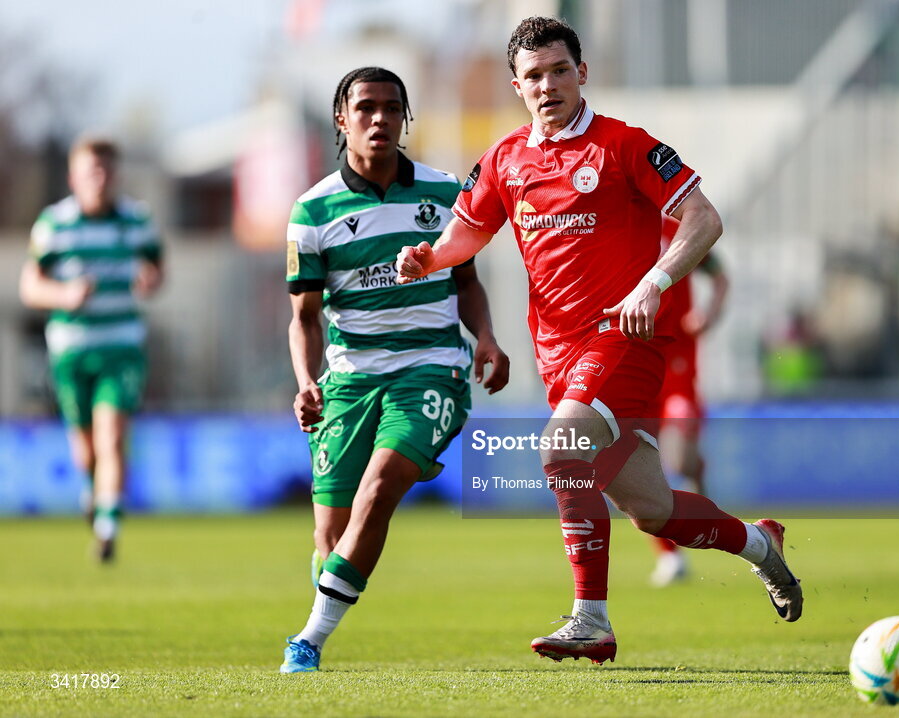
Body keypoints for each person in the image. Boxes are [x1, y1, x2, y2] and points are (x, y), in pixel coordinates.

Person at [397, 16, 802, 665]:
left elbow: (704, 217)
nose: (548, 84)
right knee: (655, 510)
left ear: (581, 73)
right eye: (534, 76)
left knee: (560, 450)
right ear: (516, 85)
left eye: (560, 70)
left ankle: (591, 619)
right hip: (558, 357)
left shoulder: (624, 146)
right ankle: (761, 544)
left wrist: (653, 283)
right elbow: (467, 234)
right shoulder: (504, 160)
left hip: (625, 339)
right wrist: (431, 259)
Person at [279, 66, 509, 673]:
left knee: (380, 488)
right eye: (365, 108)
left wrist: (484, 337)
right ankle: (330, 600)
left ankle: (308, 641)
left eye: (391, 108)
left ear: (406, 118)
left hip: (431, 369)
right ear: (342, 119)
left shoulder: (444, 193)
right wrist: (306, 382)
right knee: (329, 538)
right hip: (349, 381)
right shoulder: (311, 212)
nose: (378, 119)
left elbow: (467, 281)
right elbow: (303, 317)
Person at [19, 136, 163, 563]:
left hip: (121, 346)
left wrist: (149, 280)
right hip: (72, 350)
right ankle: (93, 492)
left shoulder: (137, 220)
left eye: (105, 171)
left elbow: (157, 268)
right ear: (74, 177)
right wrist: (64, 295)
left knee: (111, 434)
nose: (98, 179)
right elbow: (30, 286)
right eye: (89, 172)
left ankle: (107, 527)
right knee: (85, 450)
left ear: (115, 175)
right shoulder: (55, 223)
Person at [649, 236, 730, 587]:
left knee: (679, 462)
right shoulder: (610, 220)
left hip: (679, 367)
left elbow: (720, 275)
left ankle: (696, 468)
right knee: (639, 473)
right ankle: (670, 557)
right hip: (633, 363)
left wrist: (710, 314)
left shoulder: (675, 230)